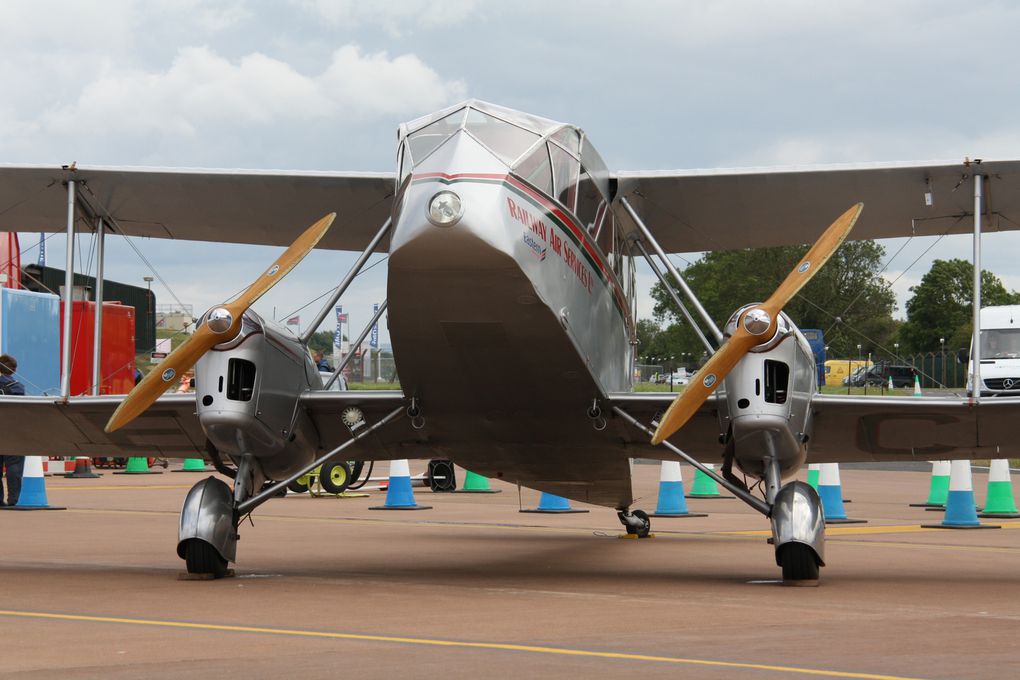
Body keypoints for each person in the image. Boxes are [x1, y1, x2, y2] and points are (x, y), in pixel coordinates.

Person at [0, 353, 25, 506]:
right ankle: (13, 501)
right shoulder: (17, 387)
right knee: (14, 466)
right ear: (14, 370)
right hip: (12, 431)